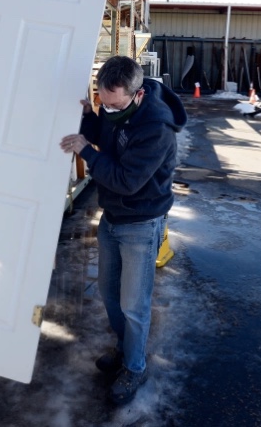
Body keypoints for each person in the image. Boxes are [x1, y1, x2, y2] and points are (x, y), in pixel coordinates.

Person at [60, 55, 187, 405]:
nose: (109, 109)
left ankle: (134, 366)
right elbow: (105, 134)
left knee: (133, 304)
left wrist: (87, 151)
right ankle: (124, 347)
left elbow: (126, 180)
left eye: (115, 104)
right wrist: (88, 117)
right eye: (103, 101)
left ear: (137, 94)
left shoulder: (156, 128)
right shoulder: (115, 106)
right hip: (113, 217)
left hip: (141, 222)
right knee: (109, 293)